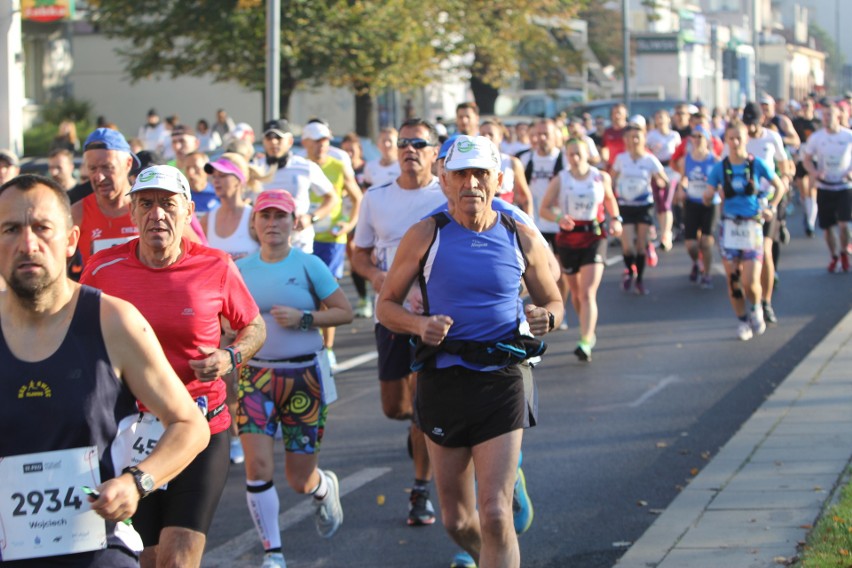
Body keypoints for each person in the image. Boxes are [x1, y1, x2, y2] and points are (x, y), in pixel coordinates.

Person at [0, 174, 209, 567]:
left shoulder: (112, 321)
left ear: (70, 241)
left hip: (96, 550)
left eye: (43, 228)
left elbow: (189, 424)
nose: (28, 244)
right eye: (11, 229)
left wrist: (138, 482)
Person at [376, 135, 563, 568]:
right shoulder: (426, 233)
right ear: (444, 180)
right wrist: (420, 325)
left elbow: (554, 302)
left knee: (495, 514)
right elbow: (385, 307)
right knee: (457, 520)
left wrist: (545, 318)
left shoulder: (519, 234)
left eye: (481, 174)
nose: (472, 183)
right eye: (462, 174)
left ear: (498, 180)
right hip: (443, 378)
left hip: (503, 376)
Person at [80, 165, 266, 567]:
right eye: (146, 204)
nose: (156, 214)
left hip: (200, 428)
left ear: (188, 213)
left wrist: (229, 356)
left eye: (168, 204)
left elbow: (253, 325)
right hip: (130, 434)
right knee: (146, 560)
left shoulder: (215, 265)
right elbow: (77, 334)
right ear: (131, 214)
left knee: (178, 559)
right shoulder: (102, 269)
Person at [235, 190, 351, 568]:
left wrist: (305, 319)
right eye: (264, 216)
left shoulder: (308, 265)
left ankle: (321, 488)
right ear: (254, 223)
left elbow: (343, 312)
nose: (272, 224)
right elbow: (225, 320)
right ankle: (274, 553)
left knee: (299, 478)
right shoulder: (240, 270)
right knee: (257, 467)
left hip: (304, 377)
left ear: (293, 222)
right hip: (255, 376)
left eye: (280, 216)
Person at [352, 118, 447, 527]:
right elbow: (359, 253)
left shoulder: (445, 197)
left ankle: (421, 491)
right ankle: (418, 429)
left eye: (418, 143)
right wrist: (377, 278)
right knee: (396, 407)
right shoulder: (376, 198)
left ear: (432, 152)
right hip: (391, 312)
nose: (409, 149)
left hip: (431, 313)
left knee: (422, 408)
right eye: (404, 143)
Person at [539, 138, 622, 362]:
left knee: (587, 293)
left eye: (578, 154)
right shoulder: (561, 179)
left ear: (587, 154)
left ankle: (585, 340)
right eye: (570, 154)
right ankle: (587, 327)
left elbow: (610, 200)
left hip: (594, 236)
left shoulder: (600, 177)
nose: (574, 158)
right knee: (576, 293)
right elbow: (543, 208)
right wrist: (559, 217)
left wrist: (615, 220)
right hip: (568, 239)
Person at [705, 120, 785, 341]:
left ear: (746, 139)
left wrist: (771, 207)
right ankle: (742, 320)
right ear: (726, 140)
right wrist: (709, 195)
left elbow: (779, 185)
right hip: (730, 226)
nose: (735, 142)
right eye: (731, 138)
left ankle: (757, 306)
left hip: (752, 225)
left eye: (739, 137)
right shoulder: (719, 168)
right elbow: (709, 192)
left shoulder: (756, 164)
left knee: (750, 280)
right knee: (734, 279)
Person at [739, 101, 790, 324]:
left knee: (765, 252)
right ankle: (753, 299)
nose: (750, 128)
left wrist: (784, 183)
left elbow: (784, 164)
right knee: (745, 258)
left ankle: (766, 302)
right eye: (746, 123)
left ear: (761, 120)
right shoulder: (739, 139)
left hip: (768, 201)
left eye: (753, 123)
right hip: (744, 204)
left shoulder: (772, 138)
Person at [261, 119, 339, 254]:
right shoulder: (255, 168)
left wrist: (312, 217)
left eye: (279, 138)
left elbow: (332, 198)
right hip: (264, 246)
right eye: (269, 137)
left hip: (299, 243)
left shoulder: (305, 167)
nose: (273, 142)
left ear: (290, 141)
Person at [611, 121, 668, 295]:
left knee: (641, 246)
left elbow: (664, 180)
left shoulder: (649, 159)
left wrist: (659, 181)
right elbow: (611, 180)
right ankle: (630, 270)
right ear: (625, 139)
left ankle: (640, 281)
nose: (633, 140)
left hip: (644, 205)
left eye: (637, 137)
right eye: (630, 137)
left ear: (643, 139)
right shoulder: (621, 159)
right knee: (628, 247)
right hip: (626, 205)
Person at [72, 128, 141, 267]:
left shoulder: (152, 208)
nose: (99, 177)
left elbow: (195, 254)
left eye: (107, 167)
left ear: (128, 163)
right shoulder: (77, 213)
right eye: (92, 169)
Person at [802, 103, 852, 273]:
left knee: (844, 225)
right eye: (823, 115)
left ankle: (844, 251)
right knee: (828, 227)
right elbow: (806, 159)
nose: (826, 118)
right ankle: (834, 256)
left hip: (844, 186)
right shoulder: (816, 138)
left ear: (838, 116)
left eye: (829, 115)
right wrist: (815, 172)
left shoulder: (848, 136)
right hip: (825, 187)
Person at [677, 125, 720, 288]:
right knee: (691, 245)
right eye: (693, 137)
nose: (696, 140)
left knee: (706, 242)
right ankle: (696, 262)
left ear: (707, 140)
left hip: (709, 203)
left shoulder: (714, 160)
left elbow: (720, 183)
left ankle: (707, 274)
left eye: (700, 136)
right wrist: (681, 190)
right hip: (692, 202)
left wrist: (713, 192)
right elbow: (683, 179)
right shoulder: (686, 159)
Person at [340, 132, 373, 318]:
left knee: (373, 257)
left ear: (359, 150)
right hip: (348, 218)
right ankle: (363, 297)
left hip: (368, 218)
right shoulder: (342, 170)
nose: (349, 154)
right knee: (354, 256)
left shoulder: (366, 169)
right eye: (345, 151)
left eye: (351, 150)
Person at [480, 119, 534, 215]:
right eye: (482, 134)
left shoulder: (511, 162)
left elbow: (525, 195)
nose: (486, 137)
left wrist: (529, 220)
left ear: (500, 137)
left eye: (490, 134)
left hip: (506, 214)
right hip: (481, 213)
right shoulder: (473, 164)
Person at [646, 109, 682, 250]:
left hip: (671, 170)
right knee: (660, 201)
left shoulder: (674, 135)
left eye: (662, 117)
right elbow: (646, 152)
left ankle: (667, 234)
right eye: (657, 117)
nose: (660, 120)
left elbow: (679, 154)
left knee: (667, 201)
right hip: (656, 170)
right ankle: (663, 231)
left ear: (668, 119)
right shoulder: (651, 135)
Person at [792, 97, 821, 237]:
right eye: (803, 105)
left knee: (812, 190)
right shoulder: (796, 122)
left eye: (807, 105)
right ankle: (807, 212)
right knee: (803, 191)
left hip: (814, 158)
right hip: (801, 157)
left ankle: (810, 223)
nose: (805, 108)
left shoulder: (817, 123)